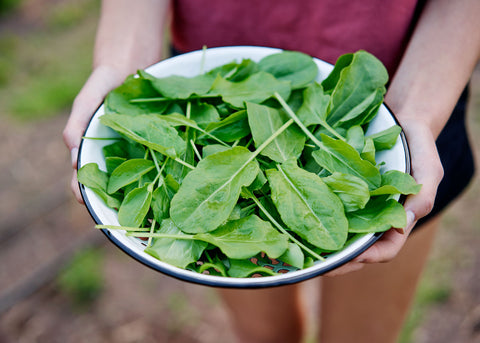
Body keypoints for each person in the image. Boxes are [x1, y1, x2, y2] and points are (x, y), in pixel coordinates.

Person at [63, 0, 480, 342]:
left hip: (403, 94)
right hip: (205, 84)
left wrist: (418, 115)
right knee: (264, 335)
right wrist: (121, 65)